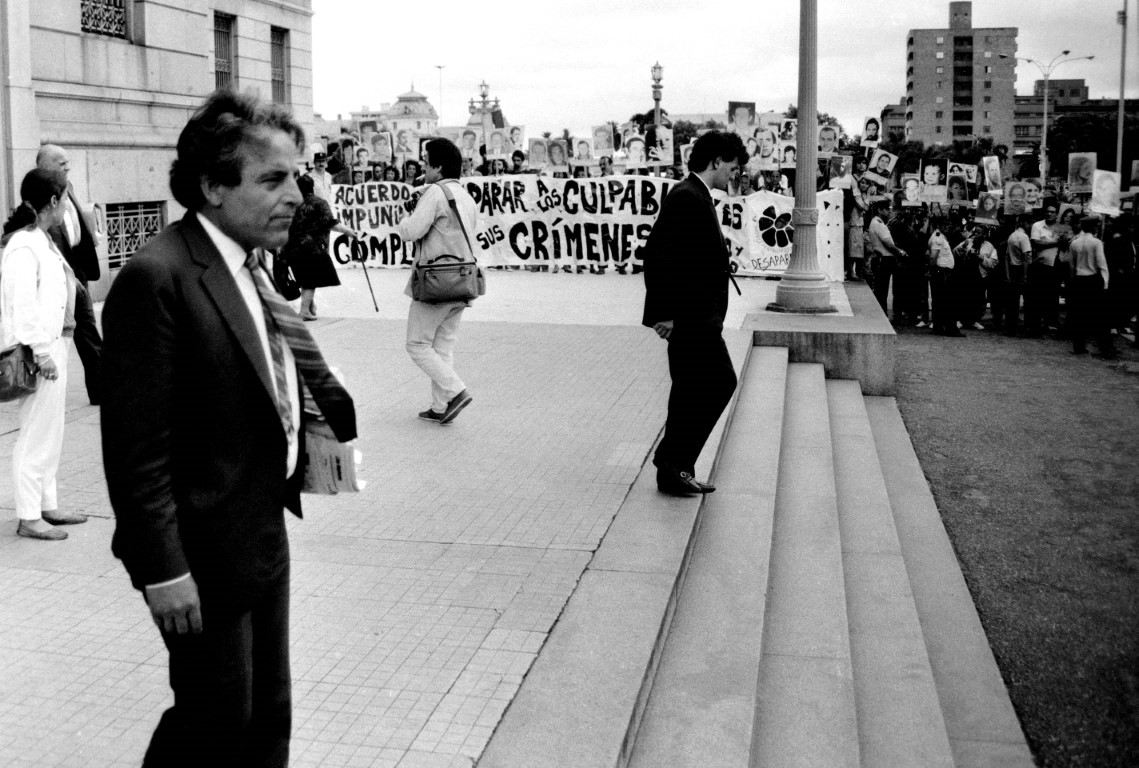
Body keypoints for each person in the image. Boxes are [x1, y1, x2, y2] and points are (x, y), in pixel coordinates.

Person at [100, 90, 358, 767]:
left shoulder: (252, 259)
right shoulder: (157, 277)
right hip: (200, 552)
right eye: (273, 178)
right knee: (214, 718)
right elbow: (135, 452)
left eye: (297, 175)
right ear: (212, 186)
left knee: (267, 717)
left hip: (262, 527)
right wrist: (163, 571)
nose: (296, 194)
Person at [641, 130, 746, 496]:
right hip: (691, 317)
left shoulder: (696, 195)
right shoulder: (687, 197)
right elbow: (658, 257)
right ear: (716, 161)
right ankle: (674, 462)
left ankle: (673, 467)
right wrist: (664, 313)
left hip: (698, 315)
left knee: (689, 389)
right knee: (719, 382)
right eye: (732, 166)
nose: (734, 173)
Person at [1, 167, 87, 540]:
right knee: (36, 433)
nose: (68, 203)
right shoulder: (23, 245)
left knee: (51, 431)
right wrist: (42, 352)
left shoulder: (42, 239)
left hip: (55, 344)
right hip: (39, 351)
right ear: (53, 201)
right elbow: (23, 306)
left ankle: (46, 504)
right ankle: (28, 515)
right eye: (65, 197)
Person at [397, 138, 478, 425]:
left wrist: (405, 215)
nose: (422, 167)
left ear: (438, 167)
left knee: (417, 344)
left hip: (436, 281)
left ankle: (456, 391)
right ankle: (440, 406)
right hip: (462, 280)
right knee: (443, 345)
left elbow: (412, 231)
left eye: (426, 162)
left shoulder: (434, 192)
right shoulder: (466, 196)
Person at [37, 144, 102, 405]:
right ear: (45, 165)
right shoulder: (38, 193)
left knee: (87, 332)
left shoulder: (68, 185)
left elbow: (72, 222)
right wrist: (66, 273)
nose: (68, 166)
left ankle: (101, 391)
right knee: (62, 334)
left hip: (78, 269)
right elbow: (46, 236)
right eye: (62, 163)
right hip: (60, 273)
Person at [283, 174, 359, 320]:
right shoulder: (319, 203)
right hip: (313, 248)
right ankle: (304, 310)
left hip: (292, 248)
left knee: (306, 278)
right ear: (312, 187)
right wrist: (347, 231)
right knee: (311, 279)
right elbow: (330, 223)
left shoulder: (291, 203)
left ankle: (310, 307)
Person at [1067, 216, 1114, 356]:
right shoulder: (1097, 243)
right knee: (1099, 316)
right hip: (1092, 281)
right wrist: (1105, 284)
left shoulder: (1074, 243)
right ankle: (1105, 348)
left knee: (1078, 315)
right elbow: (1102, 264)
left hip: (1078, 280)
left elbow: (1071, 266)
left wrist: (1072, 282)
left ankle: (1078, 346)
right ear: (1094, 227)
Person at [865, 200, 908, 317]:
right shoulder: (878, 223)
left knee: (881, 290)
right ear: (879, 210)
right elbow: (888, 243)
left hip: (883, 259)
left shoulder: (878, 222)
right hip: (884, 259)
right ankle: (881, 317)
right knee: (881, 291)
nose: (889, 211)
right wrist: (900, 252)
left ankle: (881, 316)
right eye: (886, 209)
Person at [1026, 204, 1061, 336]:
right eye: (1047, 211)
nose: (1049, 214)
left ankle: (1049, 324)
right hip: (1040, 266)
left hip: (1055, 266)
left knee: (1051, 297)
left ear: (1057, 214)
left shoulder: (1061, 227)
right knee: (1037, 297)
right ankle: (1034, 326)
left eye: (1052, 212)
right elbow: (1036, 243)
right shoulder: (1037, 226)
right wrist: (1055, 243)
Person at [1001, 215, 1033, 335]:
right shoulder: (1024, 237)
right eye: (1029, 223)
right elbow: (1026, 257)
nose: (1030, 226)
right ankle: (1028, 327)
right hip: (1022, 269)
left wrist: (1008, 274)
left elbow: (1006, 257)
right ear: (1023, 223)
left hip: (1012, 269)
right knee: (1028, 300)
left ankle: (1011, 327)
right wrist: (1025, 275)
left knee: (1012, 301)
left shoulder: (1011, 236)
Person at [928, 219, 961, 336]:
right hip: (942, 272)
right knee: (947, 301)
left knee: (941, 301)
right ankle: (949, 328)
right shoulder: (937, 238)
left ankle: (940, 327)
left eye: (948, 225)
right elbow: (933, 257)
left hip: (943, 272)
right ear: (938, 226)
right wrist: (933, 271)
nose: (947, 227)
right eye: (944, 225)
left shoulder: (942, 237)